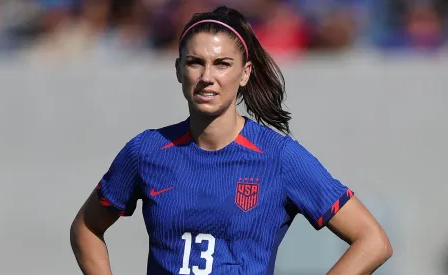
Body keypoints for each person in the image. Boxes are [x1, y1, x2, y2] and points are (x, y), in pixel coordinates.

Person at [70, 6, 393, 275]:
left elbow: (372, 241)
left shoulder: (278, 157)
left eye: (222, 64)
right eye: (195, 62)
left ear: (245, 73)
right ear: (179, 69)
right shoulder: (146, 151)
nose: (207, 76)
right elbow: (86, 228)